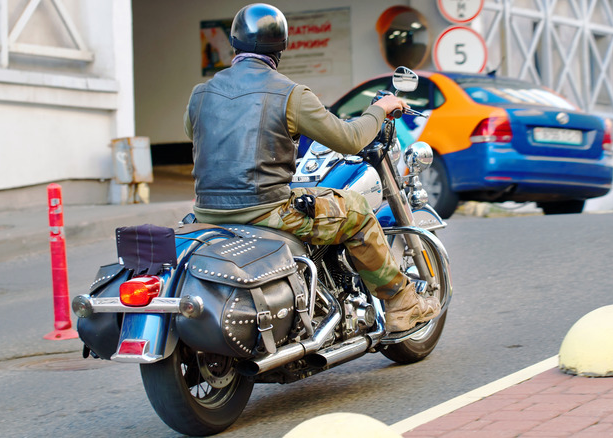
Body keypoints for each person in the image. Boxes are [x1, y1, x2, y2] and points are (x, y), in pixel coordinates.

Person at [184, 3, 439, 332]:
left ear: (234, 43)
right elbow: (349, 140)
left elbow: (194, 132)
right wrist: (379, 109)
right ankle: (402, 303)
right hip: (267, 211)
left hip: (207, 213)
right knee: (356, 209)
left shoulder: (200, 94)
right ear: (281, 47)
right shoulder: (290, 95)